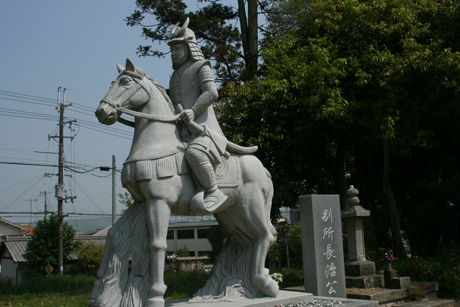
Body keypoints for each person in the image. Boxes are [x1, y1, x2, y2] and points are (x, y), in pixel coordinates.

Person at [168, 18, 227, 211]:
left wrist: (192, 111)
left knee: (194, 153)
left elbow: (212, 92)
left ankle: (213, 190)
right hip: (182, 131)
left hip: (204, 130)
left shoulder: (201, 66)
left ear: (189, 46)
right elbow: (175, 101)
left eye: (177, 49)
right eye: (171, 50)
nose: (173, 54)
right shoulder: (174, 76)